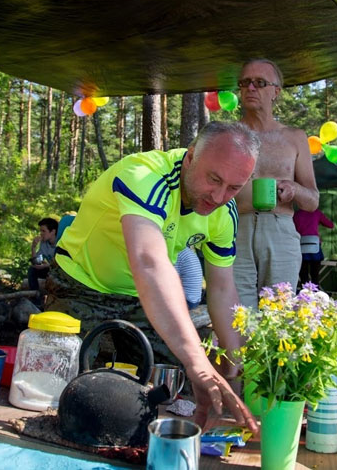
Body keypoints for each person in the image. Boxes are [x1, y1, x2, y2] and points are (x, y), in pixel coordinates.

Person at [49, 121, 259, 433]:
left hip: (142, 299)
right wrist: (198, 361)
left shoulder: (224, 213)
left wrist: (232, 367)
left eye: (234, 188)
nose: (218, 196)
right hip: (80, 285)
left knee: (177, 388)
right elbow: (150, 262)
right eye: (213, 179)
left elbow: (223, 288)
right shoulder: (145, 174)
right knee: (65, 387)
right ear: (190, 157)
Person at [233, 58, 319, 308]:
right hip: (233, 230)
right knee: (236, 315)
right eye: (245, 82)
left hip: (281, 229)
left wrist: (294, 189)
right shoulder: (227, 136)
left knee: (278, 315)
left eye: (260, 83)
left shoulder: (293, 137)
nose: (250, 88)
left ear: (276, 92)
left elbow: (313, 201)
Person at [293, 207, 334, 287]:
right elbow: (330, 225)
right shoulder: (317, 213)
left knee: (303, 275)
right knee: (315, 276)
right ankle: (316, 294)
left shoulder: (296, 215)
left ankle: (304, 295)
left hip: (301, 246)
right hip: (315, 246)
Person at [28, 217, 58, 305]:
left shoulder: (61, 243)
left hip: (59, 272)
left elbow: (61, 264)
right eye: (40, 231)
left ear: (53, 231)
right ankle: (35, 300)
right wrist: (33, 247)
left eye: (43, 231)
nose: (41, 234)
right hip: (49, 269)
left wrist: (47, 265)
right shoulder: (44, 243)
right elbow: (35, 260)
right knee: (32, 270)